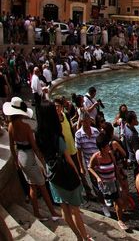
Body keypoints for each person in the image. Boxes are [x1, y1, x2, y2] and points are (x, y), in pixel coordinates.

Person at [34, 102, 91, 240]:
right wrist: (77, 173)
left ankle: (78, 236)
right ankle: (84, 237)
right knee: (75, 211)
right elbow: (68, 158)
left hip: (52, 173)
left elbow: (40, 156)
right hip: (64, 172)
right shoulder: (56, 136)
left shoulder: (38, 134)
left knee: (64, 209)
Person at [4, 97, 61, 220]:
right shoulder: (26, 128)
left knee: (32, 186)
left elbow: (11, 146)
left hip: (20, 156)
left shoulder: (10, 126)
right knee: (42, 185)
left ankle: (37, 213)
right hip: (29, 157)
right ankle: (53, 212)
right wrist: (42, 161)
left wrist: (15, 161)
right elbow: (35, 148)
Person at [88, 132, 128, 230]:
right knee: (112, 200)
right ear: (102, 148)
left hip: (113, 182)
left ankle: (120, 220)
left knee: (118, 201)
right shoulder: (96, 157)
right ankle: (106, 206)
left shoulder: (110, 155)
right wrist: (97, 177)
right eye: (107, 145)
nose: (109, 147)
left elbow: (115, 168)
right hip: (104, 184)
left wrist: (121, 180)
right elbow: (90, 168)